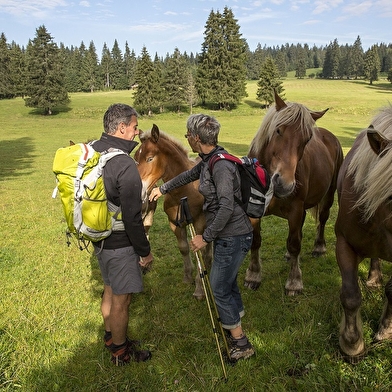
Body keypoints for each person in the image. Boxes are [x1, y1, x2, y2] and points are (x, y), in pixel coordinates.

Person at [149, 114, 255, 361]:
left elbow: (227, 206)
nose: (187, 139)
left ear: (196, 138)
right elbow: (187, 175)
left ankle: (241, 343)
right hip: (227, 234)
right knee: (226, 282)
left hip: (234, 235)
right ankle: (233, 322)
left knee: (218, 287)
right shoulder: (210, 159)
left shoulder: (221, 166)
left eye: (188, 135)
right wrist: (161, 189)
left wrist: (205, 237)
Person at [92, 103, 154, 366]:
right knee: (122, 299)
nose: (136, 133)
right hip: (120, 243)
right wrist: (145, 251)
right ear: (121, 128)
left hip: (99, 237)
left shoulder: (94, 151)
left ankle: (110, 337)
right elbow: (132, 218)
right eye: (134, 127)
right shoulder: (124, 164)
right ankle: (120, 352)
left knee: (109, 287)